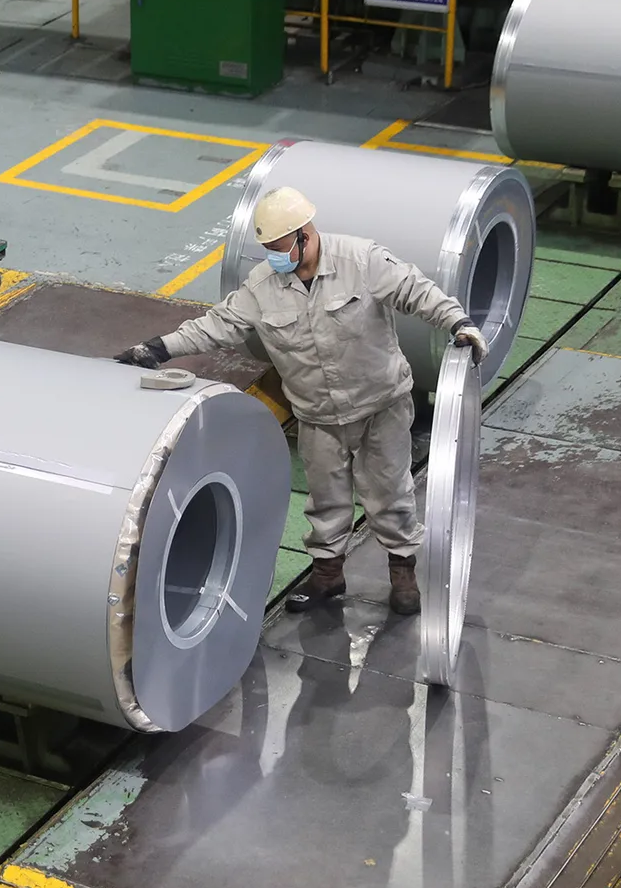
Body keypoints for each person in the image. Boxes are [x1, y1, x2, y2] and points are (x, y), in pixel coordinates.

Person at [116, 186, 484, 616]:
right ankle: (328, 574)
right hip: (318, 414)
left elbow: (416, 291)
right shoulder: (262, 287)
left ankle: (402, 571)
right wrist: (157, 348)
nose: (274, 257)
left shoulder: (361, 261)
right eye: (268, 249)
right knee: (326, 500)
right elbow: (216, 326)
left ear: (304, 235)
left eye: (279, 247)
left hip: (380, 405)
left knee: (390, 493)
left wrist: (459, 323)